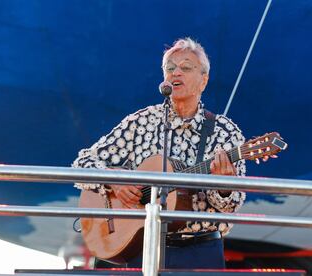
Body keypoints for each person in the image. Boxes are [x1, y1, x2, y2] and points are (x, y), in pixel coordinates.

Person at [72, 37, 247, 269]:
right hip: (139, 246)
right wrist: (114, 183)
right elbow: (84, 162)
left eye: (185, 68)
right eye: (170, 68)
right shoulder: (141, 121)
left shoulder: (224, 131)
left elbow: (231, 206)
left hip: (200, 251)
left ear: (203, 81)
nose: (176, 73)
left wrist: (225, 187)